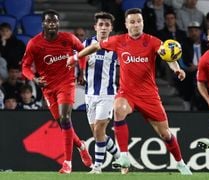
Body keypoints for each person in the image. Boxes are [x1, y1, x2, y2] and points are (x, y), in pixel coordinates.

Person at [67, 8, 192, 175]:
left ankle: (180, 163)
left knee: (166, 134)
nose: (136, 25)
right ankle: (124, 156)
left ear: (142, 23)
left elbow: (168, 56)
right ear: (126, 25)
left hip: (149, 95)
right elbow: (96, 46)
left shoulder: (153, 41)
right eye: (132, 22)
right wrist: (75, 58)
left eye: (139, 21)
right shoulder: (118, 41)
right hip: (127, 93)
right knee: (119, 110)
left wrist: (177, 69)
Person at [21, 9, 92, 174]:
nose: (52, 24)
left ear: (58, 23)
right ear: (43, 24)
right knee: (62, 123)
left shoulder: (68, 39)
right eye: (49, 21)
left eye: (55, 21)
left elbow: (83, 53)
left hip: (66, 84)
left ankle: (67, 163)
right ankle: (81, 146)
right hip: (48, 88)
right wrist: (34, 78)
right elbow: (24, 67)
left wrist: (81, 72)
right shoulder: (34, 43)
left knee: (65, 118)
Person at [82, 12, 122, 174]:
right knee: (99, 133)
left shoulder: (117, 48)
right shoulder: (86, 44)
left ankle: (97, 166)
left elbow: (127, 66)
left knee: (99, 130)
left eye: (107, 25)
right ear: (95, 27)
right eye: (101, 24)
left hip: (107, 94)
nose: (104, 27)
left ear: (111, 28)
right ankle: (120, 157)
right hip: (89, 94)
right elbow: (77, 62)